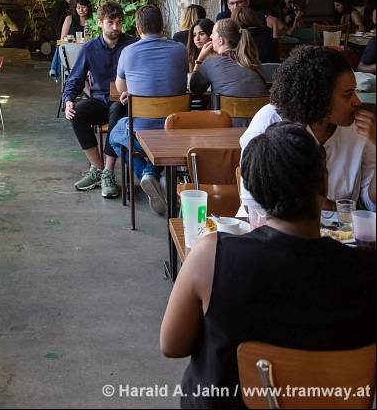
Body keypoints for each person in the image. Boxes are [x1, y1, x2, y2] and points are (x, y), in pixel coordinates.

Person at [160, 122, 376, 410]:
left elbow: (172, 345)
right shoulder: (367, 270)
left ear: (254, 190)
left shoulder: (211, 256)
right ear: (324, 184)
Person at [240, 45, 376, 210]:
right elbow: (253, 204)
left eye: (355, 92)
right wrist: (328, 207)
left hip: (343, 226)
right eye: (347, 95)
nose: (357, 102)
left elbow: (370, 202)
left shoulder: (361, 129)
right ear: (319, 98)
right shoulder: (271, 123)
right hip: (273, 225)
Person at [108, 5, 189, 214]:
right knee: (161, 137)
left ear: (138, 27)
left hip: (141, 133)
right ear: (163, 26)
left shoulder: (128, 52)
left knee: (115, 135)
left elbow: (121, 88)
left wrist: (134, 91)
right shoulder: (180, 49)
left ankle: (145, 173)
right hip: (176, 132)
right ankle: (154, 174)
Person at [62, 1, 136, 196]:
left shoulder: (132, 45)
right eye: (111, 22)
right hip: (100, 101)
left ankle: (108, 172)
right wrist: (68, 99)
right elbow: (75, 78)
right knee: (76, 111)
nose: (116, 27)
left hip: (124, 102)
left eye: (119, 22)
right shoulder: (90, 48)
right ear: (100, 22)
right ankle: (98, 168)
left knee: (117, 109)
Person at [190, 19, 268, 123]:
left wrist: (199, 60)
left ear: (221, 40)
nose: (211, 37)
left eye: (213, 34)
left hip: (226, 126)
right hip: (258, 126)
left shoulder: (211, 62)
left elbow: (195, 89)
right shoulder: (254, 61)